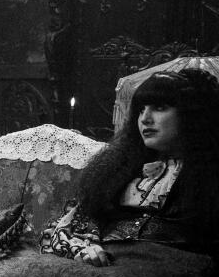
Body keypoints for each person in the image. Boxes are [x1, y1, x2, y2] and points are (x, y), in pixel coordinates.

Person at [41, 68, 219, 263]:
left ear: (191, 115)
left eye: (159, 108)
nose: (145, 119)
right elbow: (78, 220)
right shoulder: (122, 167)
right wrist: (86, 246)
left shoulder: (209, 177)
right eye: (141, 109)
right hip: (103, 267)